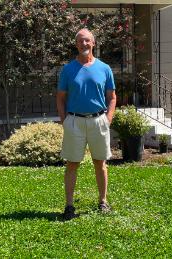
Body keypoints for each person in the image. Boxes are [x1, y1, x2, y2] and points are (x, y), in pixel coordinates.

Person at [56, 28, 117, 220]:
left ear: (93, 43)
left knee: (100, 163)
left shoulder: (105, 68)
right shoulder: (68, 70)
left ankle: (103, 201)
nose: (84, 44)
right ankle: (69, 205)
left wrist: (108, 119)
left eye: (87, 41)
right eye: (80, 41)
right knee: (72, 164)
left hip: (99, 121)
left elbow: (112, 97)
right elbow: (60, 98)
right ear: (76, 44)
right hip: (74, 121)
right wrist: (64, 120)